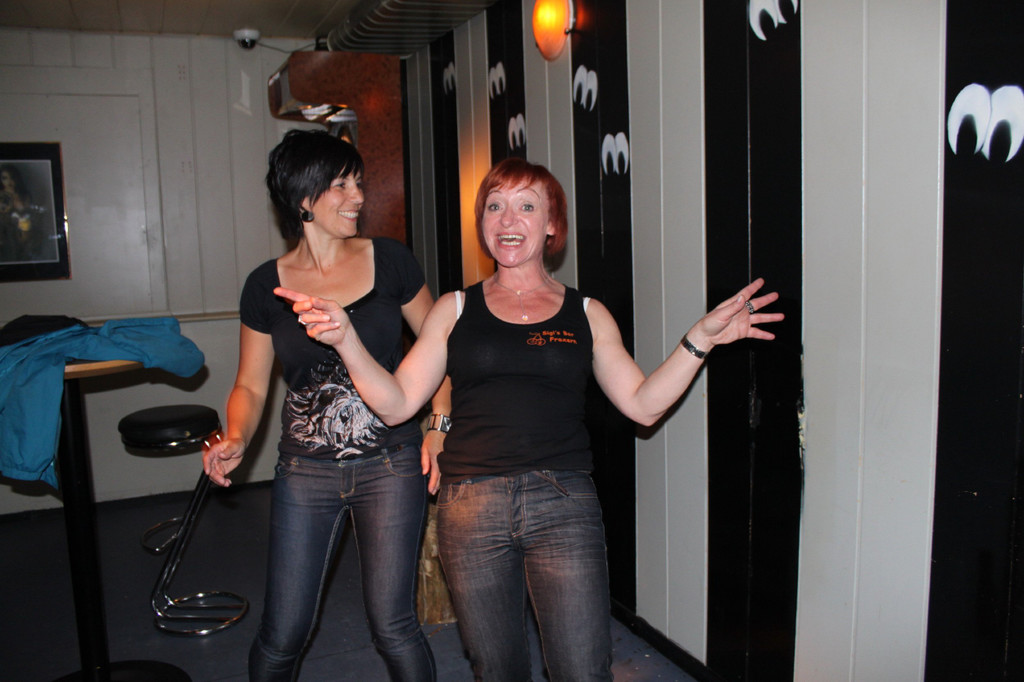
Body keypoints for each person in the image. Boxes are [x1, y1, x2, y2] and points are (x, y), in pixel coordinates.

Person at [275, 157, 784, 681]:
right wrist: (347, 341)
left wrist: (699, 340)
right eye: (494, 207)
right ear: (482, 225)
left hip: (562, 502)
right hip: (471, 505)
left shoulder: (587, 313)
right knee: (497, 669)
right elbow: (397, 403)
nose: (507, 220)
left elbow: (643, 404)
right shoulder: (453, 309)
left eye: (526, 206)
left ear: (552, 225)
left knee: (582, 669)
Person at [202, 129, 447, 681]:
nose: (358, 196)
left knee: (394, 626)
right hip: (305, 471)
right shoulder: (264, 287)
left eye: (358, 182)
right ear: (302, 198)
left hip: (391, 463)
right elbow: (250, 386)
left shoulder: (391, 260)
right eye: (341, 184)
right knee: (282, 634)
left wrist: (439, 426)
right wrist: (236, 435)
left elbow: (440, 350)